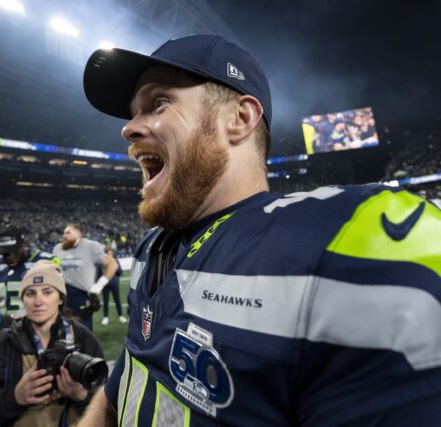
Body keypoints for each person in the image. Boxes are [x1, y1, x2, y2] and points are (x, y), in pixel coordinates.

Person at [79, 34, 441, 426]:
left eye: (158, 103)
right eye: (134, 113)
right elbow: (123, 383)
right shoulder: (152, 248)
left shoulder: (343, 244)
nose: (128, 129)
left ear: (239, 119)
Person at [0, 260, 104, 426]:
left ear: (60, 298)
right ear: (23, 300)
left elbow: (109, 405)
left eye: (47, 292)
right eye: (30, 294)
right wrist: (14, 397)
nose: (38, 301)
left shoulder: (82, 337)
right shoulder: (5, 342)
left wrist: (82, 396)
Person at [52, 224, 118, 331]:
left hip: (81, 296)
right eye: (63, 233)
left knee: (83, 331)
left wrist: (98, 286)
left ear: (78, 234)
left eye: (68, 233)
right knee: (62, 331)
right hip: (61, 296)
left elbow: (112, 264)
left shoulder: (90, 246)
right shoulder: (57, 249)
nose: (64, 236)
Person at [0, 225, 59, 319]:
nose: (10, 256)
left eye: (14, 251)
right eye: (5, 253)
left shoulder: (43, 262)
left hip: (34, 323)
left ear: (23, 245)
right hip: (2, 323)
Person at [100, 248, 126, 326]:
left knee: (117, 300)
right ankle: (105, 318)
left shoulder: (116, 261)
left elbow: (120, 272)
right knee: (105, 301)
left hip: (114, 284)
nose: (110, 255)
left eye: (111, 254)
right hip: (105, 284)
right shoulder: (102, 262)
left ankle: (120, 316)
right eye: (108, 254)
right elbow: (98, 273)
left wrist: (115, 266)